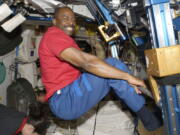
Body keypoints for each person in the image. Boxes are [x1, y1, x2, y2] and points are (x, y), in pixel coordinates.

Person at [38, 6, 162, 131]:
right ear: (54, 22)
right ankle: (150, 120)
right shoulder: (53, 36)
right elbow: (87, 63)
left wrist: (122, 76)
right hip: (65, 100)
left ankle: (143, 113)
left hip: (68, 96)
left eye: (73, 19)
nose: (71, 22)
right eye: (65, 18)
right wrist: (128, 76)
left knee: (111, 70)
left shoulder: (64, 39)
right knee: (112, 65)